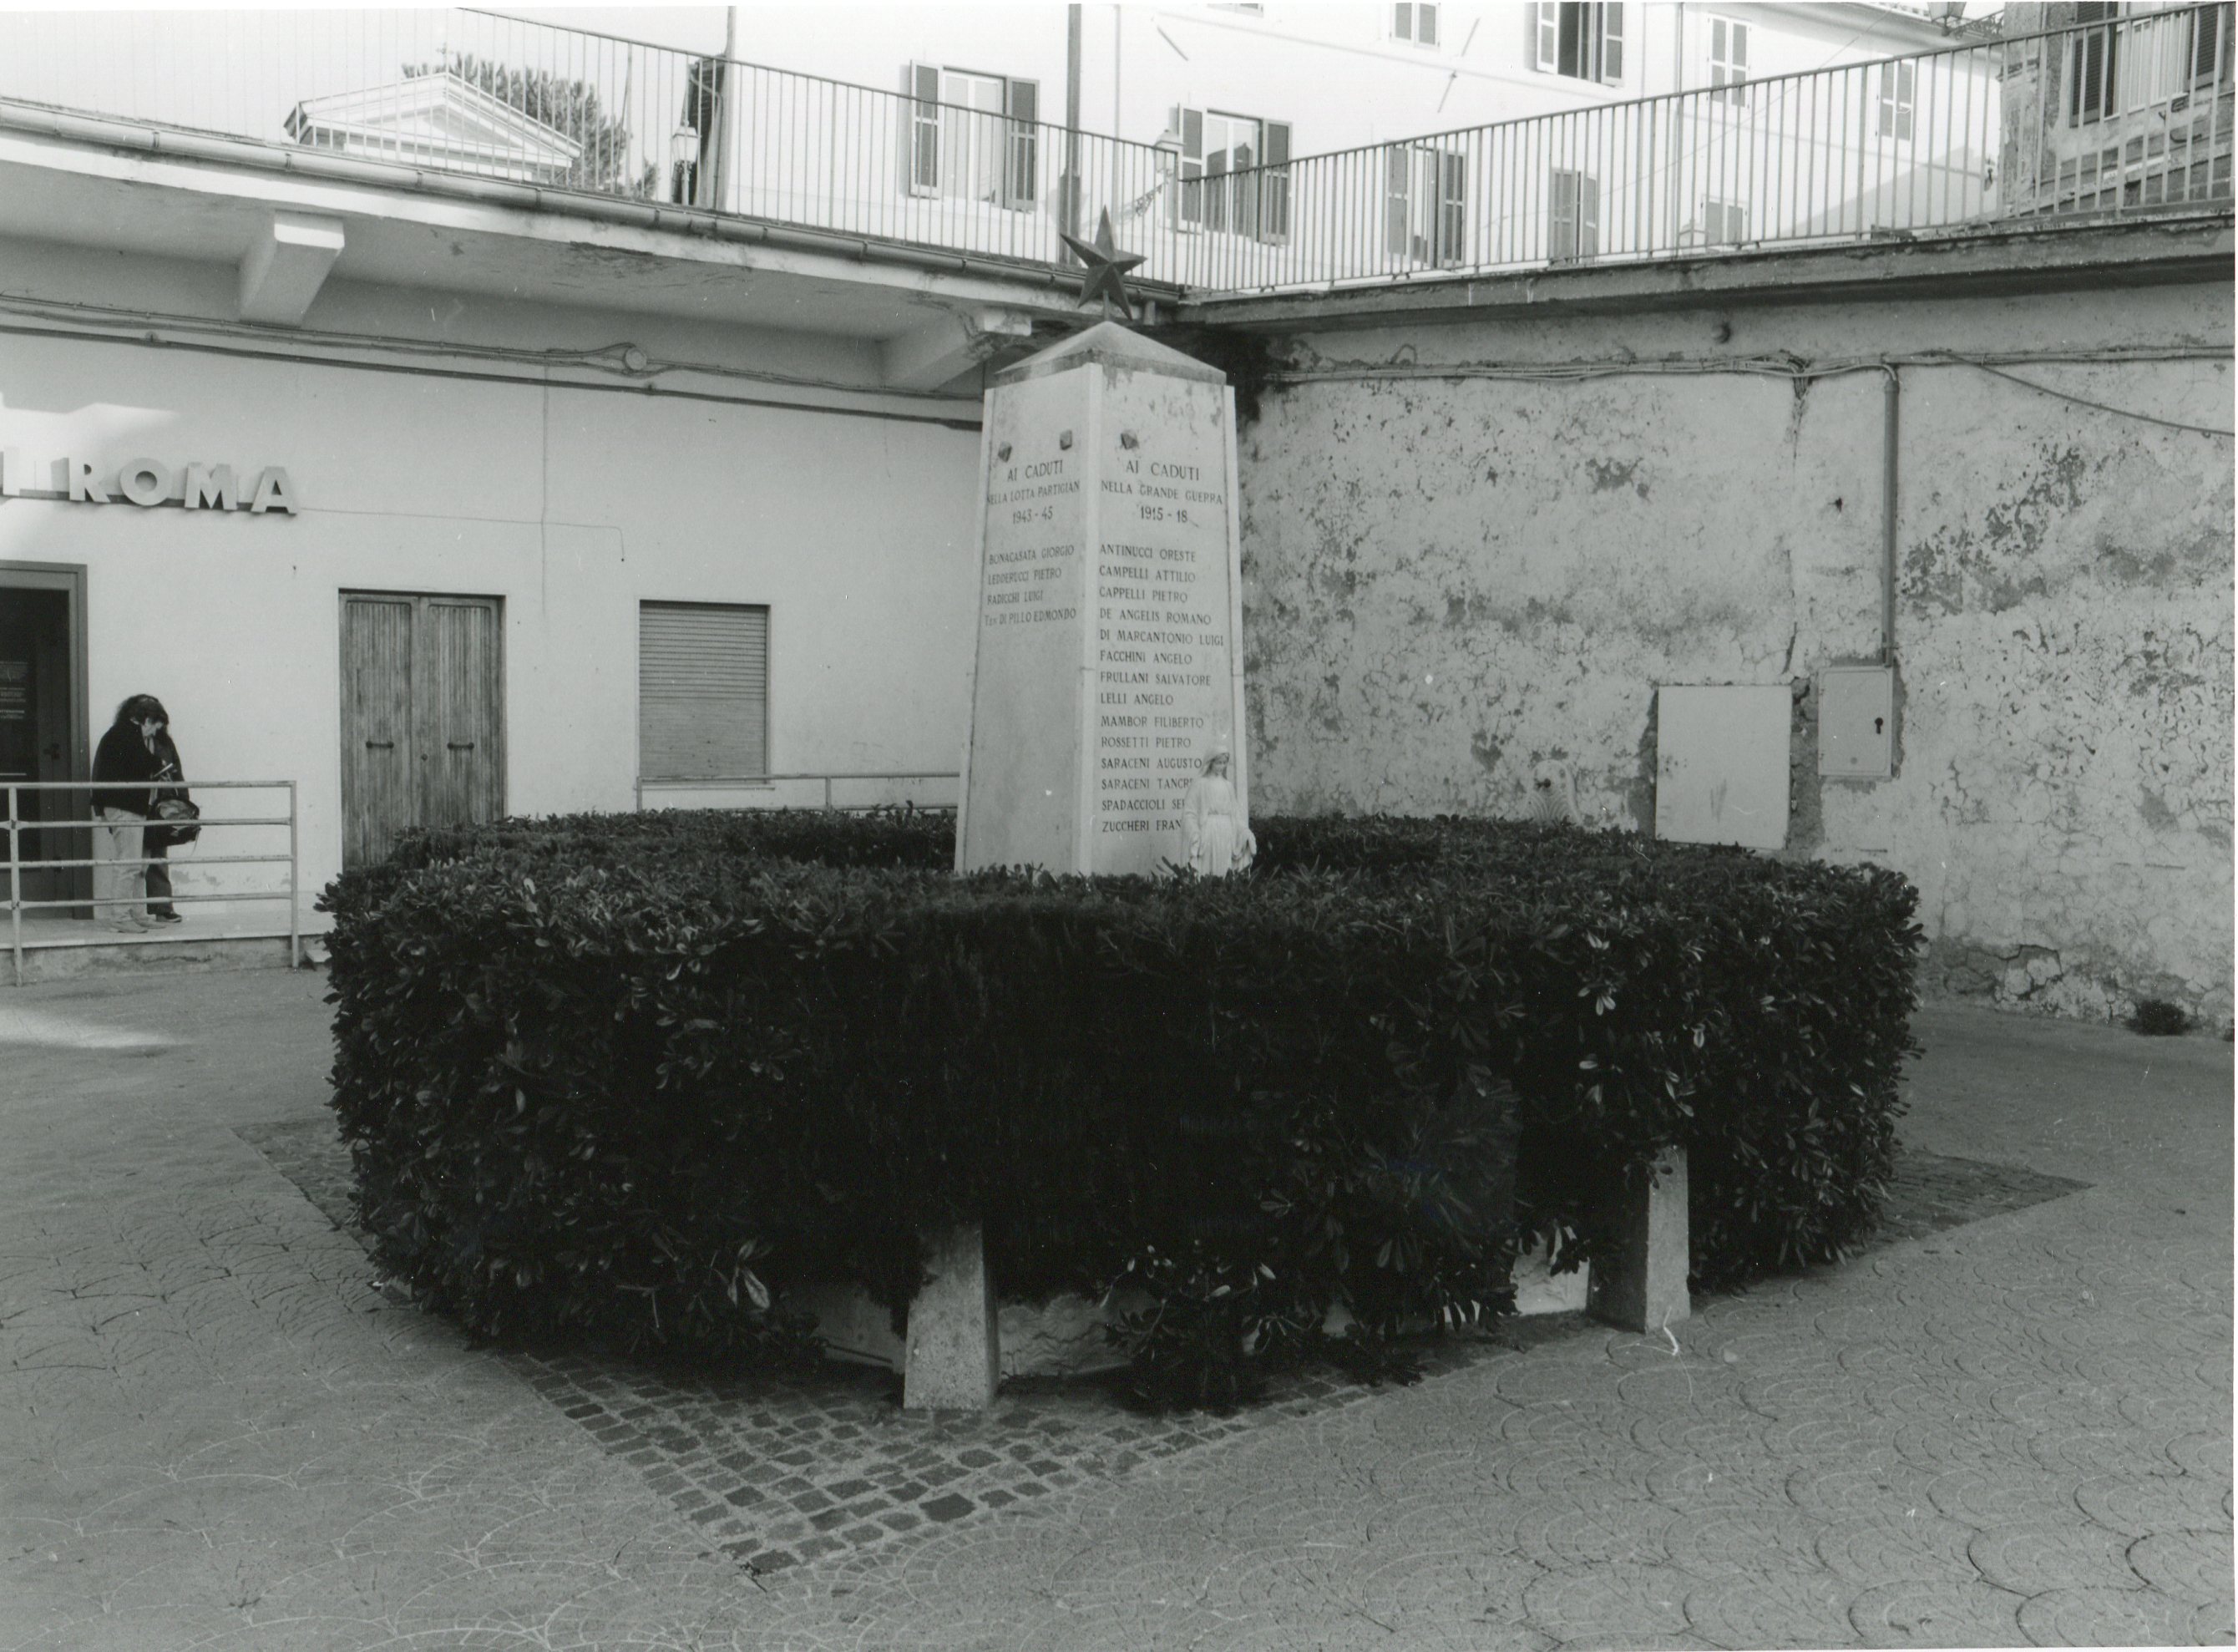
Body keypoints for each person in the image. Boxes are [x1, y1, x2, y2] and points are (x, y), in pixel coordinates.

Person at [90, 694, 167, 933]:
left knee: (137, 864)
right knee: (130, 863)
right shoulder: (127, 735)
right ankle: (122, 916)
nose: (153, 734)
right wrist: (161, 765)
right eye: (154, 728)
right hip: (126, 808)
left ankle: (137, 913)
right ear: (146, 720)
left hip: (128, 807)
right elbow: (144, 762)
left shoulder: (119, 734)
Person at [1181, 747, 1256, 877]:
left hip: (1227, 834)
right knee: (1207, 872)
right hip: (1208, 834)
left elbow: (1236, 816)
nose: (1221, 766)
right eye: (1218, 763)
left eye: (1224, 763)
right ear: (1210, 762)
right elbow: (1189, 813)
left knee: (1225, 871)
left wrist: (1245, 832)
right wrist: (1194, 832)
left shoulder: (1228, 786)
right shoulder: (1200, 784)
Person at [144, 712, 189, 924]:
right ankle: (130, 914)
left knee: (159, 856)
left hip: (160, 806)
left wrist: (184, 804)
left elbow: (177, 772)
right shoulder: (124, 738)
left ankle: (162, 908)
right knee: (133, 862)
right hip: (134, 806)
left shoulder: (164, 742)